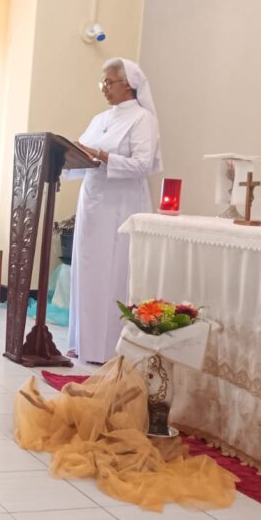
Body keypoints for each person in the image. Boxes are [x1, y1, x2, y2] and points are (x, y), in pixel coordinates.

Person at [68, 57, 162, 364]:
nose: (104, 88)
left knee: (113, 271)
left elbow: (142, 165)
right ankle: (83, 342)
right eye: (103, 82)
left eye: (109, 82)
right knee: (88, 268)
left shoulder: (142, 119)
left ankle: (109, 347)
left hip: (121, 205)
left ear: (129, 85)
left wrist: (100, 154)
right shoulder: (99, 119)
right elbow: (82, 154)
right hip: (92, 202)